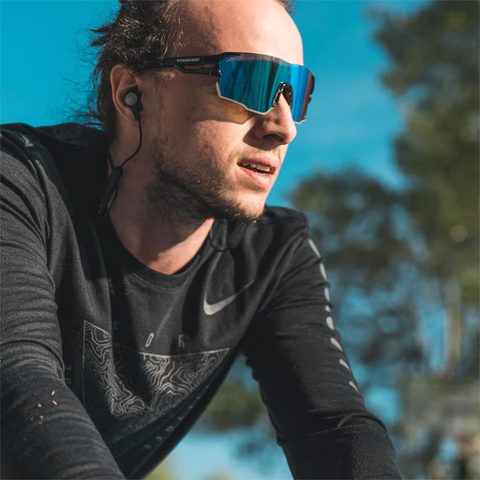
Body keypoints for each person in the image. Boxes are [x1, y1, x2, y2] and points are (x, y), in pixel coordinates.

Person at [0, 0, 401, 478]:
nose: (283, 127)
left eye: (296, 93)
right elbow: (18, 375)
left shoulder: (271, 254)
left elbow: (331, 426)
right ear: (133, 93)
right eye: (249, 82)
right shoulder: (21, 183)